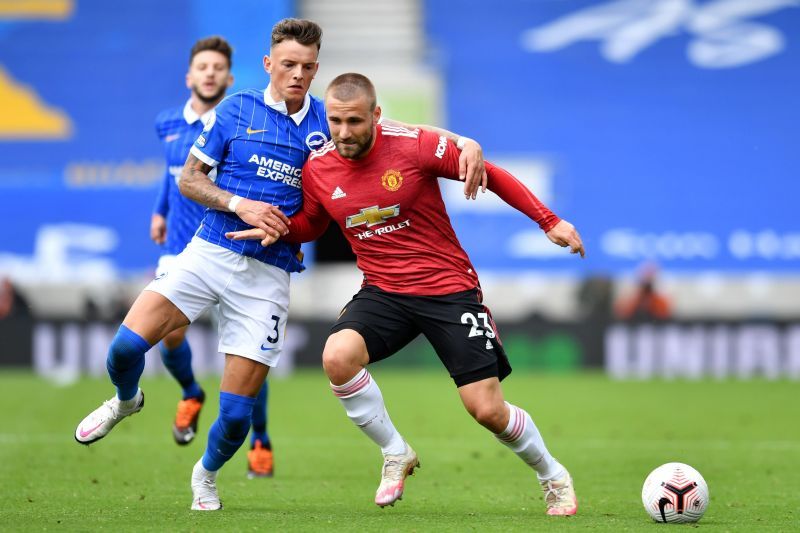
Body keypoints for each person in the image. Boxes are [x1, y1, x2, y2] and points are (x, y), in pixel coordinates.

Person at [74, 19, 486, 511]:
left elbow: (398, 133)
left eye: (307, 67)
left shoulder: (330, 124)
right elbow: (190, 180)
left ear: (316, 69)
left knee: (235, 415)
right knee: (123, 349)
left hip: (268, 276)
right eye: (287, 64)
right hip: (209, 252)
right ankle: (125, 400)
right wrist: (237, 203)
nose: (297, 74)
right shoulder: (236, 109)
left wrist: (463, 141)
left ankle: (204, 476)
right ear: (269, 63)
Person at [227, 73, 586, 516]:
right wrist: (277, 226)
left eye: (354, 121)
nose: (343, 132)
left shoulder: (413, 145)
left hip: (448, 289)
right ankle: (396, 452)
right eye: (336, 121)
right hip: (383, 291)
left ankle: (552, 475)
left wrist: (548, 221)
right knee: (337, 356)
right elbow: (314, 226)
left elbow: (488, 174)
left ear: (376, 115)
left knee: (487, 410)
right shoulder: (318, 168)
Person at [150, 35, 274, 477]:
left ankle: (260, 438)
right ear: (190, 75)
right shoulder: (167, 122)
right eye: (203, 66)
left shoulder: (239, 122)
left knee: (245, 356)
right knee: (169, 336)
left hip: (232, 247)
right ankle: (189, 392)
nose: (210, 73)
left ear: (229, 77)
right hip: (179, 247)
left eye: (218, 68)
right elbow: (176, 174)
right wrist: (160, 211)